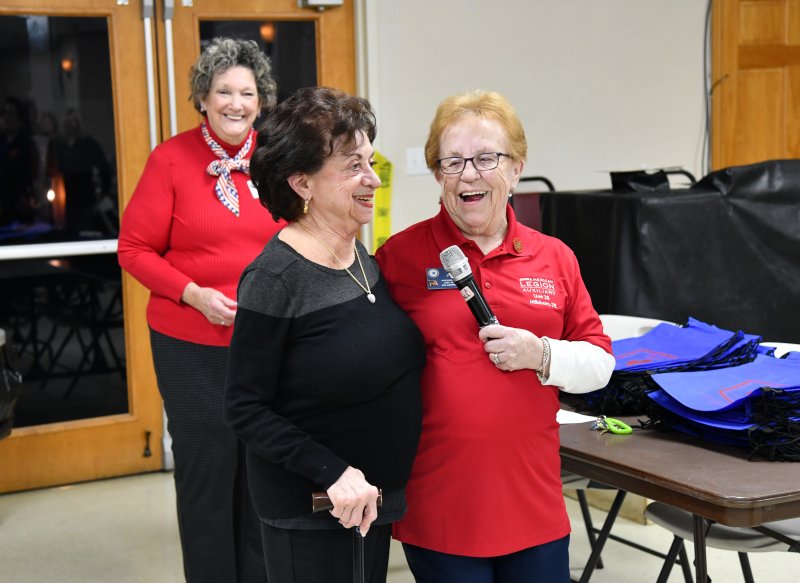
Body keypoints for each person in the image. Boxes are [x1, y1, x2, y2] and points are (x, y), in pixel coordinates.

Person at [374, 90, 616, 583]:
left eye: (487, 158)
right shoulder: (398, 257)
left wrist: (540, 353)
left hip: (534, 504)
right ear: (437, 172)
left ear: (517, 168)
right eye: (453, 160)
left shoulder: (555, 258)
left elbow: (599, 364)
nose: (469, 173)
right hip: (439, 506)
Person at [224, 86, 425, 583]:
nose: (372, 179)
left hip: (372, 500)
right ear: (302, 183)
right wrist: (332, 471)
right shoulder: (275, 278)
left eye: (371, 161)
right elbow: (245, 408)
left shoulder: (360, 257)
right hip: (313, 506)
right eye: (353, 166)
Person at [117, 38, 282, 583]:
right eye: (224, 91)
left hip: (266, 343)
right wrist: (194, 294)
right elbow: (134, 250)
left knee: (263, 469)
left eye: (247, 93)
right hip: (190, 347)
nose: (236, 103)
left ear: (261, 101)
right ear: (203, 98)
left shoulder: (278, 160)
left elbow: (304, 238)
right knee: (208, 470)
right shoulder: (170, 159)